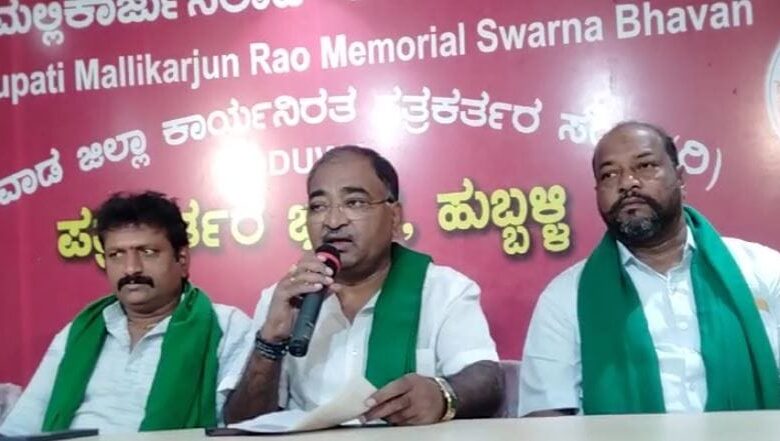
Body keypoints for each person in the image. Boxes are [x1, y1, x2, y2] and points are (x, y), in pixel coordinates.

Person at [225, 146, 503, 425]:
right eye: (319, 206)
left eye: (355, 202)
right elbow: (241, 422)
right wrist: (269, 343)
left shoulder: (443, 290)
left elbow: (487, 378)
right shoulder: (285, 299)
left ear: (394, 217)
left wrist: (443, 394)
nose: (333, 221)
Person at [519, 121, 780, 416]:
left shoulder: (762, 270)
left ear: (680, 178)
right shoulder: (566, 296)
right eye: (609, 174)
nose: (627, 183)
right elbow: (545, 416)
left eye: (645, 166)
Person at [0, 191, 253, 435]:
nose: (131, 268)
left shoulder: (225, 326)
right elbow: (22, 425)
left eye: (147, 252)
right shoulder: (80, 331)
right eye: (116, 255)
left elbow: (244, 424)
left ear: (182, 259)